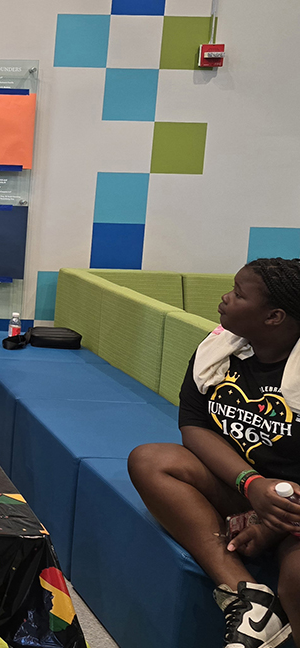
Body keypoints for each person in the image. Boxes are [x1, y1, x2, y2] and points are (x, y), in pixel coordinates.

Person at [129, 259, 300, 648]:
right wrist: (251, 484)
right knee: (150, 460)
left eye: (239, 294)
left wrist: (272, 523)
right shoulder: (219, 348)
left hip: (294, 505)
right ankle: (251, 598)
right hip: (244, 486)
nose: (225, 298)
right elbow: (194, 423)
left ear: (274, 316)